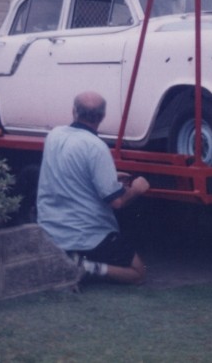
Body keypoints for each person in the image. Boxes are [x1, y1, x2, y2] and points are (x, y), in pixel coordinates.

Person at [37, 91, 150, 284]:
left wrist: (110, 178)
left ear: (74, 111)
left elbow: (70, 174)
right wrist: (138, 189)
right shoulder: (96, 147)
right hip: (87, 236)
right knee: (138, 272)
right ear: (102, 117)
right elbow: (117, 201)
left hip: (51, 232)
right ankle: (84, 267)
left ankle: (73, 260)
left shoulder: (53, 136)